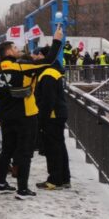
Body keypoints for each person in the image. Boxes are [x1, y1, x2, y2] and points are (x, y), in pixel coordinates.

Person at [0, 25, 63, 200]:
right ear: (8, 51)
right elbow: (49, 60)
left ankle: (1, 184)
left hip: (5, 117)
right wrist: (57, 40)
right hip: (25, 116)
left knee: (6, 150)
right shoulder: (20, 68)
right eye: (15, 48)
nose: (17, 50)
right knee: (24, 153)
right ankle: (22, 189)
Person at [33, 50, 70, 190]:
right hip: (57, 115)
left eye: (37, 55)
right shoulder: (52, 72)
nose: (34, 57)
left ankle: (55, 180)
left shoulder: (48, 74)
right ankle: (64, 178)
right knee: (60, 147)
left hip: (52, 116)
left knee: (53, 148)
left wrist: (41, 120)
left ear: (45, 57)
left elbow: (48, 100)